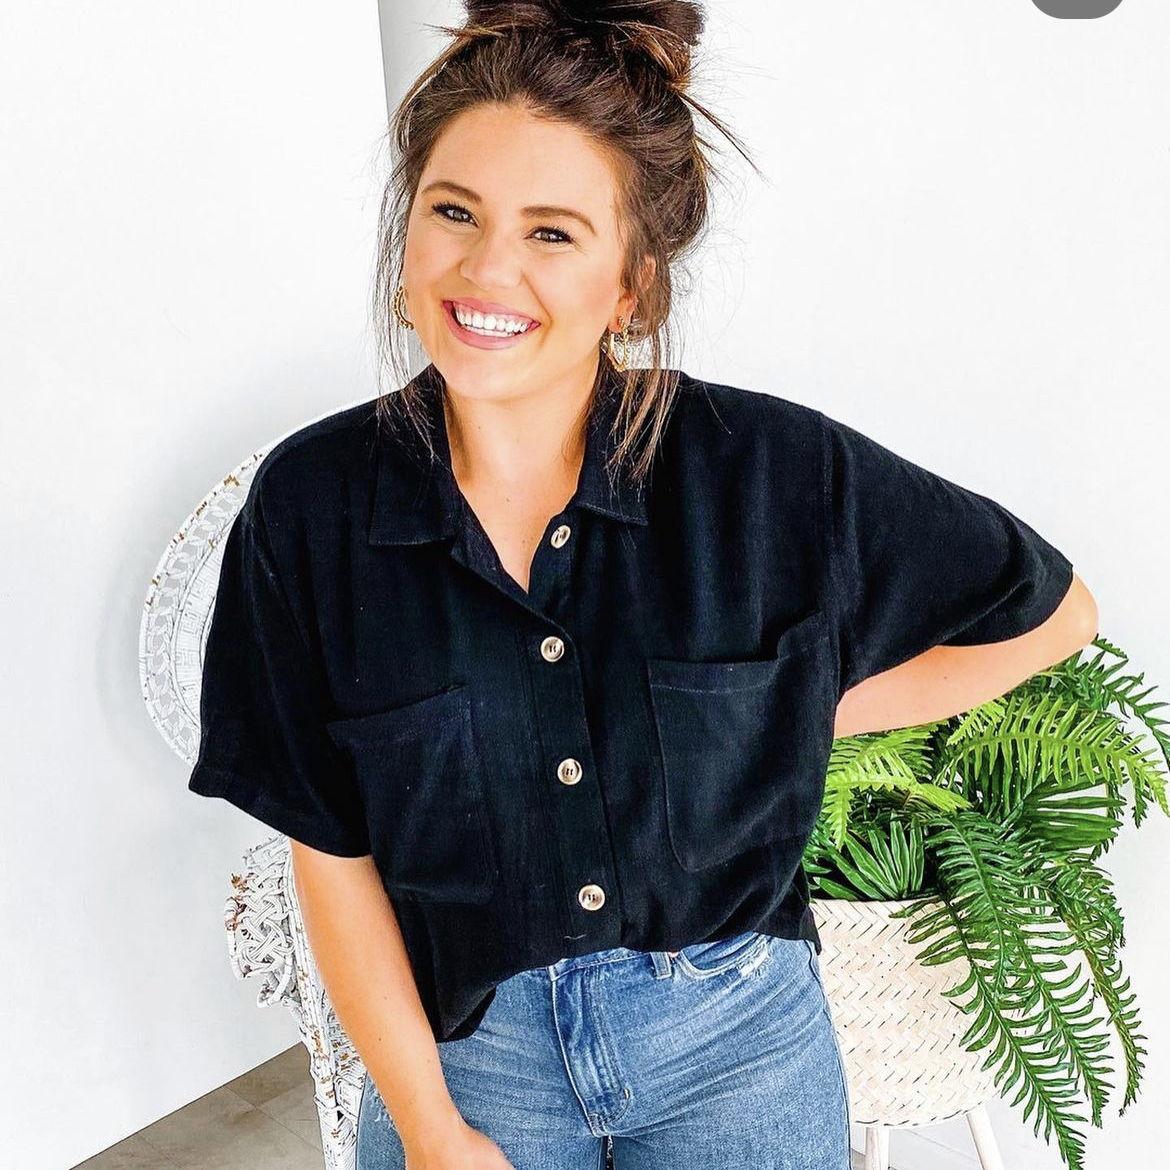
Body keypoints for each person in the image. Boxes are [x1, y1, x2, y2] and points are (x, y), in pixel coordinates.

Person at [188, 2, 1098, 1168]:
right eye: (453, 212)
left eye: (553, 232)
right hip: (469, 1059)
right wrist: (429, 1128)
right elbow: (329, 849)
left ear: (632, 286)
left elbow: (1053, 614)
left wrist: (789, 714)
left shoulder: (767, 474)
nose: (487, 269)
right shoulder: (311, 506)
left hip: (740, 1052)